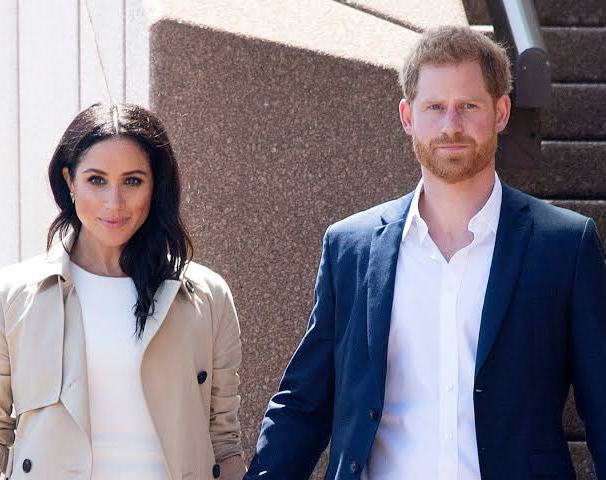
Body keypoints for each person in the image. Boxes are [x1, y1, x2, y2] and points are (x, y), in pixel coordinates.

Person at [245, 26, 606, 479]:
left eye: (468, 106)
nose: (450, 125)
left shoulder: (565, 246)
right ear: (407, 116)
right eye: (435, 107)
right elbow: (304, 403)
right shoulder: (350, 247)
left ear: (501, 112)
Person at [0, 103, 246, 480]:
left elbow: (224, 441)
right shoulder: (10, 295)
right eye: (96, 180)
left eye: (132, 181)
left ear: (155, 185)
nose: (114, 203)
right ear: (69, 180)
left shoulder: (206, 296)